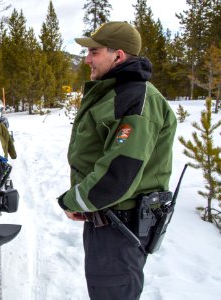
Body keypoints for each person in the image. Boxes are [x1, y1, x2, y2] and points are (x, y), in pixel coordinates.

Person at [56, 21, 177, 300]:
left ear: (118, 56)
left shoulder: (134, 99)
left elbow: (119, 173)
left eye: (94, 52)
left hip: (120, 224)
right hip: (107, 218)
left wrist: (72, 200)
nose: (87, 59)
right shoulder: (114, 93)